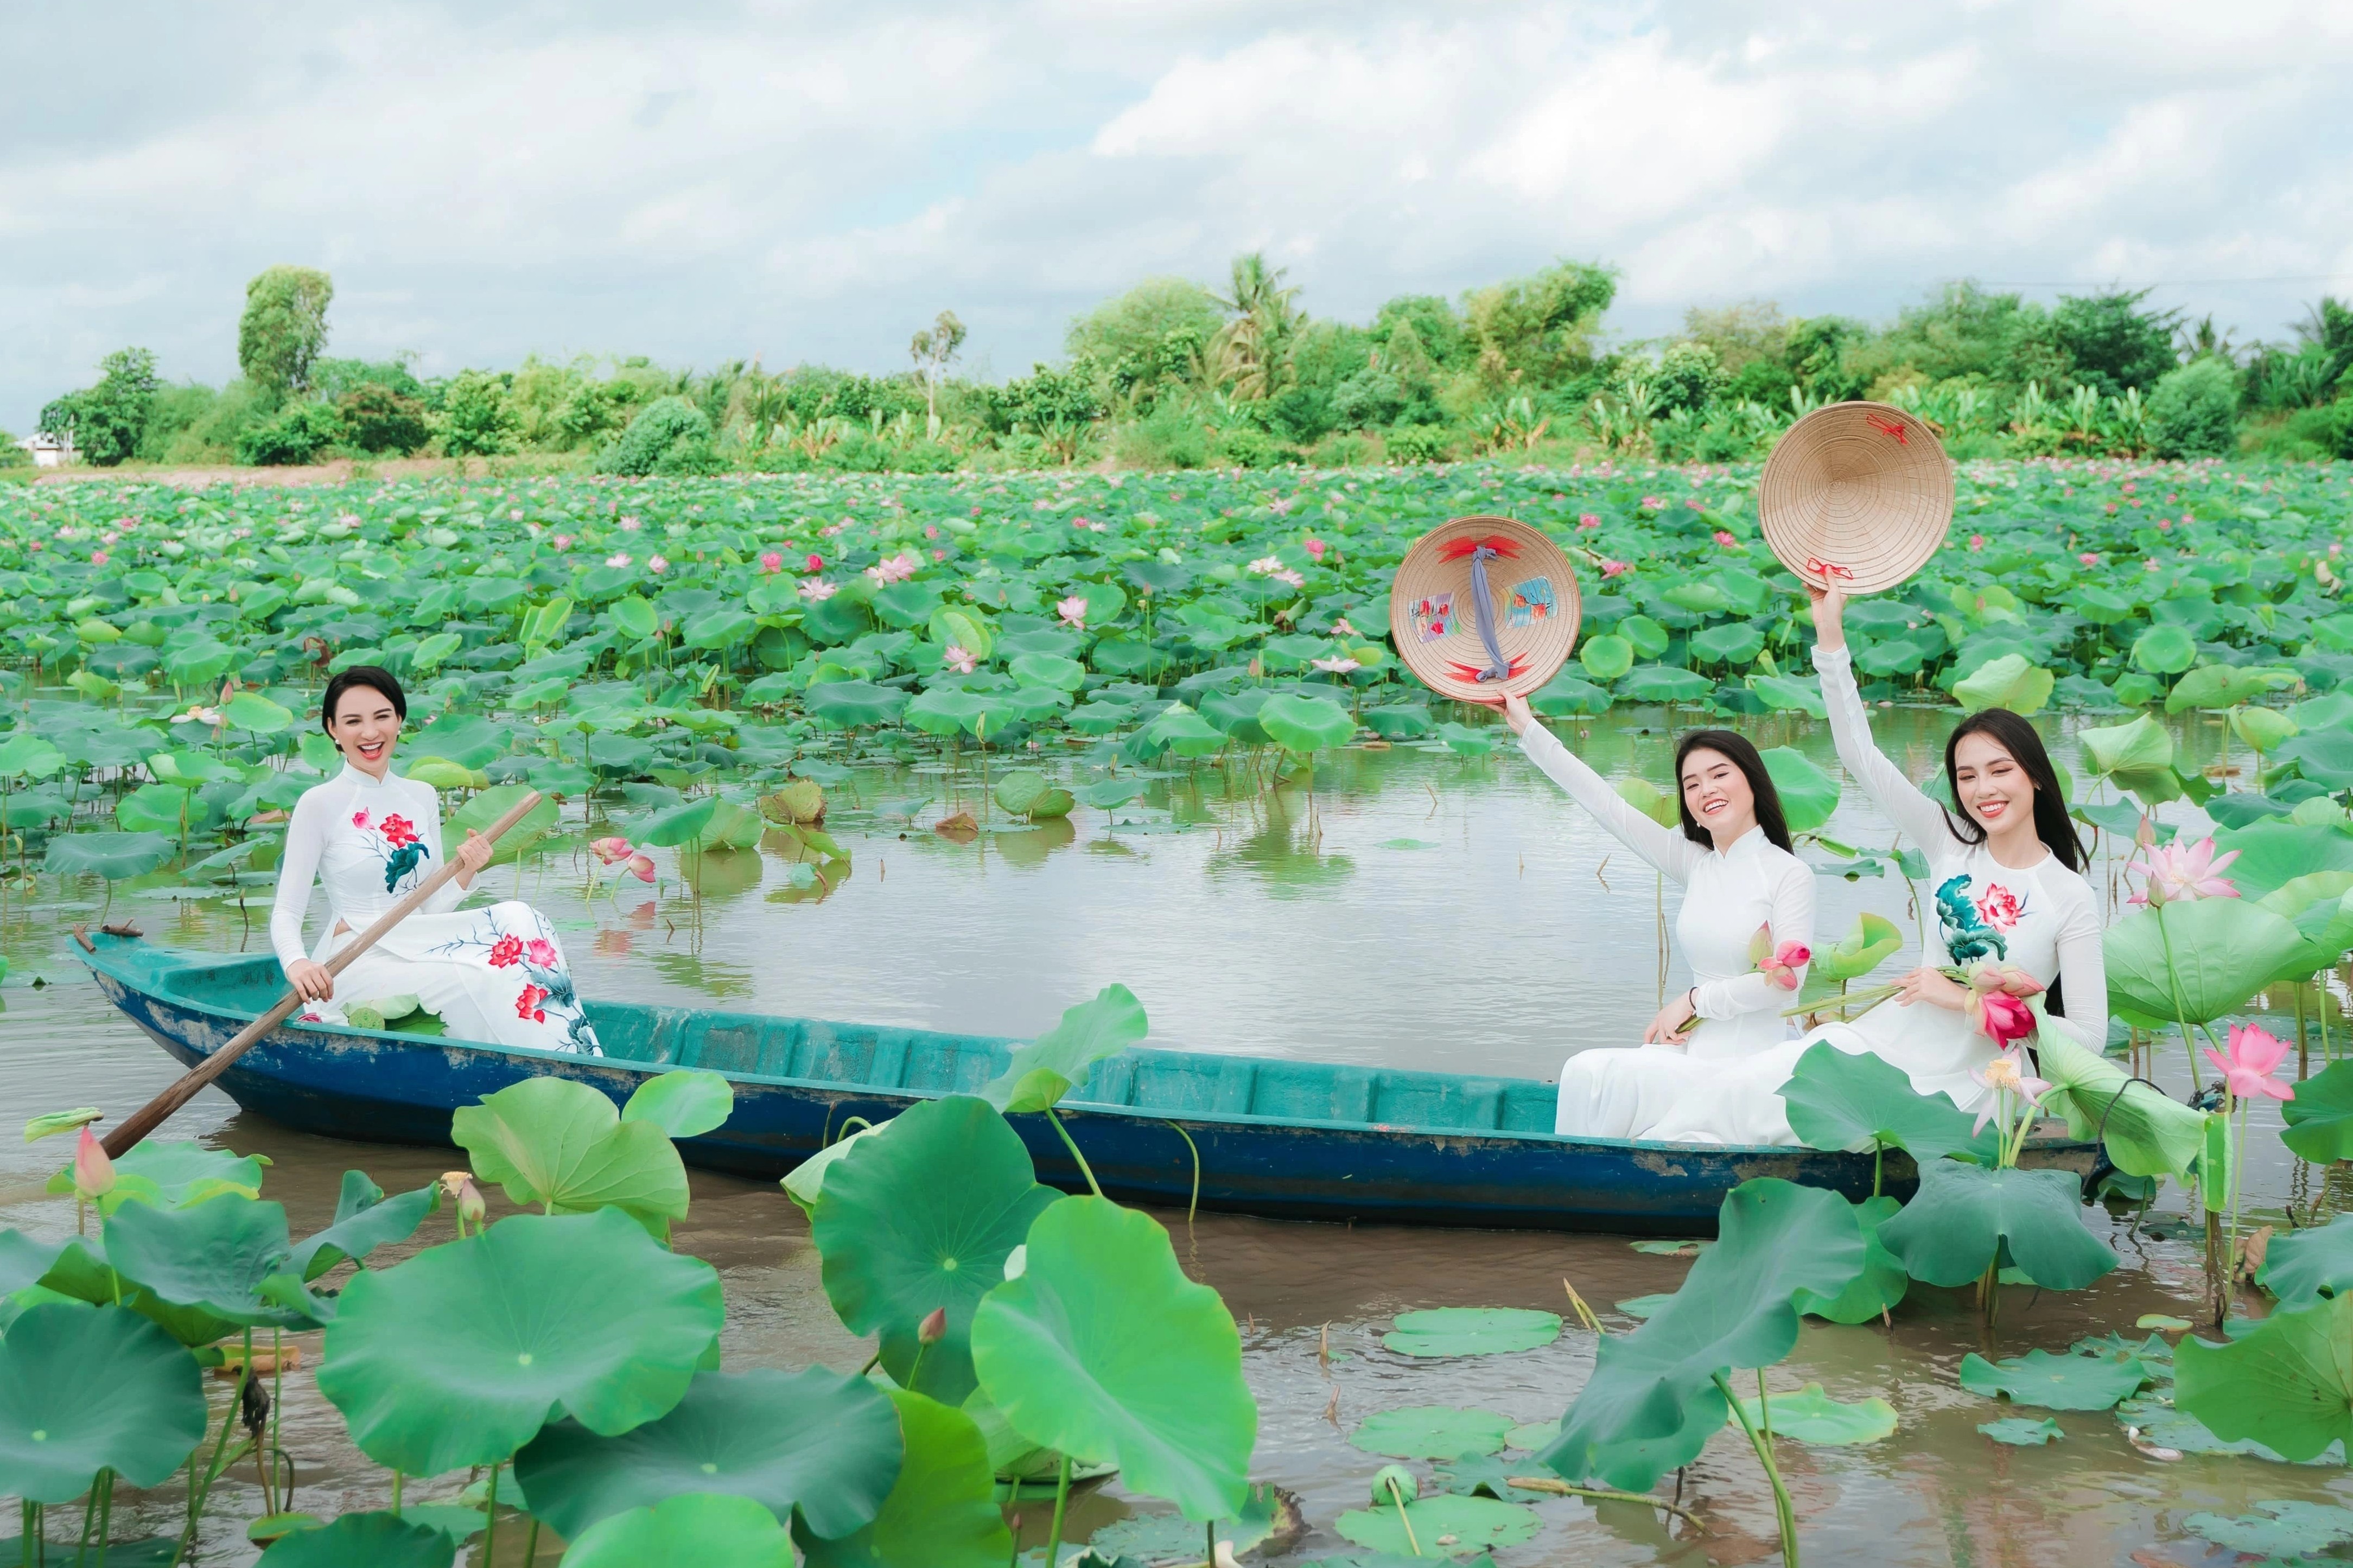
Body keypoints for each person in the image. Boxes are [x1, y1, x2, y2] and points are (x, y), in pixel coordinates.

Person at [1639, 585, 2106, 1144]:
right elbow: (1859, 754)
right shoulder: (1950, 843)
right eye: (1966, 776)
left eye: (1999, 770)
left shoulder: (2068, 896)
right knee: (1743, 1090)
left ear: (2033, 773)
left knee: (1765, 1112)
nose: (1983, 789)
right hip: (1881, 1043)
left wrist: (1960, 998)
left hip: (1969, 1082)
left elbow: (2087, 1038)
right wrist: (1829, 635)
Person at [1499, 692, 1815, 1138]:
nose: (1706, 790)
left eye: (1719, 774)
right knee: (1587, 1071)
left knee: (1603, 1079)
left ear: (1752, 782)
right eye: (1691, 784)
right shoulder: (1695, 862)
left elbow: (1788, 984)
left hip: (1753, 1062)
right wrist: (1529, 728)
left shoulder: (1789, 874)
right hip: (1693, 1049)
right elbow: (1608, 806)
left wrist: (1691, 1001)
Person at [270, 667, 602, 1055]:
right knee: (485, 979)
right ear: (332, 729)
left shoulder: (421, 796)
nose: (370, 733)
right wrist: (297, 964)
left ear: (399, 719)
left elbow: (427, 905)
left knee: (523, 918)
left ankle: (578, 1059)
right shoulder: (319, 804)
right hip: (355, 959)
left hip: (419, 939)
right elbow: (287, 910)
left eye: (382, 717)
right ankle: (556, 1066)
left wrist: (466, 872)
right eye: (353, 721)